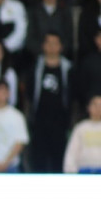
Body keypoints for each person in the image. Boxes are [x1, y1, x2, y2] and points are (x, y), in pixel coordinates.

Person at [26, 32, 72, 173]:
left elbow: (72, 96)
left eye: (55, 43)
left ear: (61, 47)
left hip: (60, 124)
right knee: (38, 164)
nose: (52, 46)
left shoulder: (68, 69)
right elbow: (29, 95)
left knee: (59, 164)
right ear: (43, 46)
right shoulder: (35, 68)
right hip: (39, 124)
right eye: (49, 43)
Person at [65, 96, 101, 173]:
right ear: (88, 107)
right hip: (84, 171)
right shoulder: (80, 128)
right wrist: (70, 169)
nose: (98, 108)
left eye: (100, 105)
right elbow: (72, 150)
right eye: (95, 105)